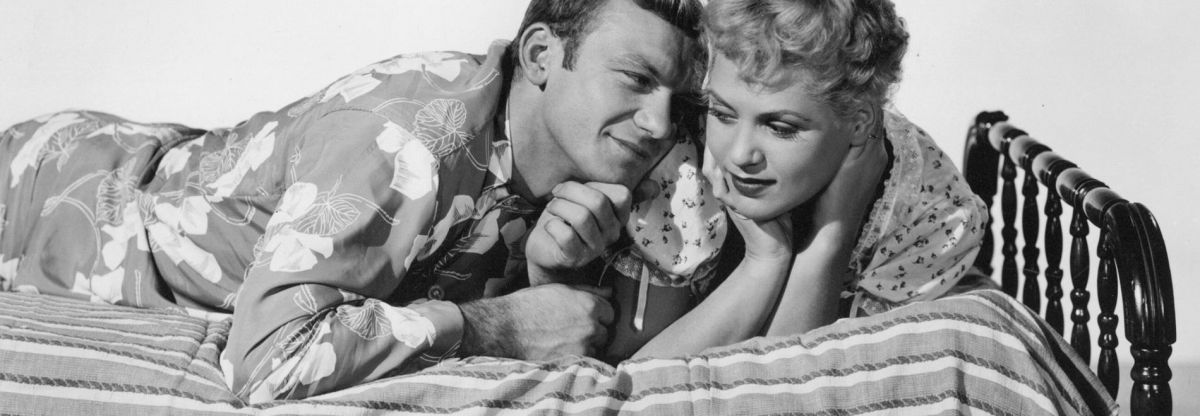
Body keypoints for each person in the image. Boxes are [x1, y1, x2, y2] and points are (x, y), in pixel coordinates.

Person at [0, 0, 706, 402]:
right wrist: (497, 326)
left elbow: (625, 349)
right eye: (635, 79)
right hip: (63, 187)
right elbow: (268, 362)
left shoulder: (634, 159)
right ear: (541, 56)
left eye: (677, 100)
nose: (658, 124)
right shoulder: (404, 140)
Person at [602, 0, 991, 361]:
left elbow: (788, 390)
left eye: (780, 127)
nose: (739, 155)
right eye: (723, 113)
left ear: (859, 124)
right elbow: (642, 385)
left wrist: (831, 237)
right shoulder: (680, 165)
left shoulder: (924, 214)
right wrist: (765, 261)